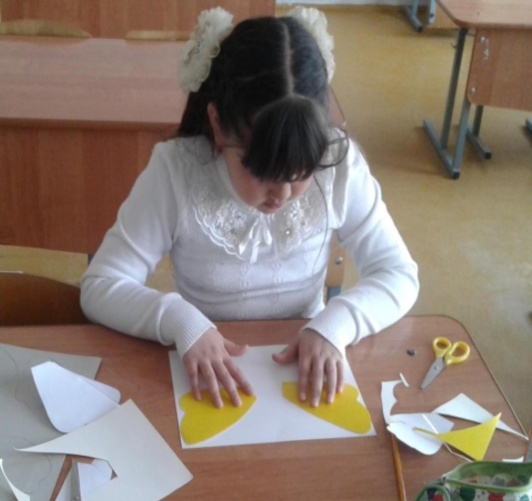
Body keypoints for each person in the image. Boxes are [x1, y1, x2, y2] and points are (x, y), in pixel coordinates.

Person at [80, 7, 419, 410]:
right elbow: (100, 286)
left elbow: (399, 274)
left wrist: (335, 325)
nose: (282, 194)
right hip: (207, 361)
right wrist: (180, 321)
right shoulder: (177, 171)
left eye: (301, 172)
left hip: (304, 360)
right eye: (260, 172)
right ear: (217, 125)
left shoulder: (338, 164)